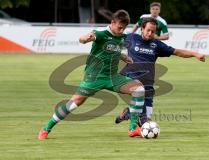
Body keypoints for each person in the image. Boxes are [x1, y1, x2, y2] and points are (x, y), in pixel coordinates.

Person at [38, 10, 145, 140]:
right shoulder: (100, 33)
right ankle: (46, 128)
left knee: (139, 89)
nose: (121, 30)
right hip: (93, 78)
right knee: (74, 103)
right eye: (119, 27)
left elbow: (113, 49)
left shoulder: (121, 36)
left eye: (124, 28)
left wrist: (123, 57)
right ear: (112, 23)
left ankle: (133, 128)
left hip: (112, 77)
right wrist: (84, 39)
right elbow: (83, 39)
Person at [115, 17, 205, 125]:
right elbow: (113, 41)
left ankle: (128, 113)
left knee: (147, 120)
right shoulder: (131, 38)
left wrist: (195, 54)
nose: (150, 33)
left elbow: (177, 52)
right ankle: (135, 120)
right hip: (130, 78)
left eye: (153, 31)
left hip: (148, 84)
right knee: (143, 120)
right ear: (142, 29)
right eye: (148, 30)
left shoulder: (157, 45)